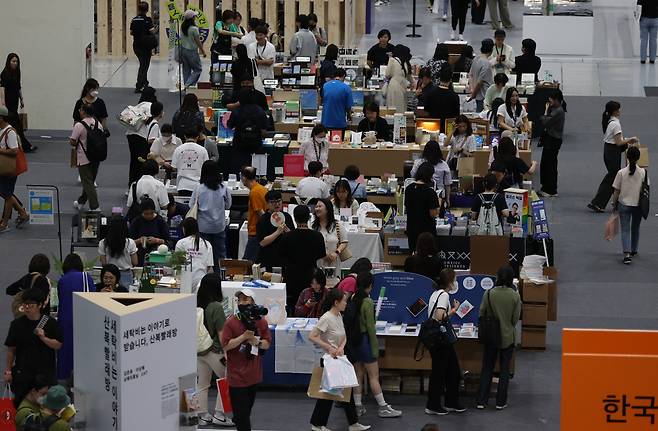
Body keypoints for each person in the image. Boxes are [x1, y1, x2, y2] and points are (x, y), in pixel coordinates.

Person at [308, 288, 371, 431]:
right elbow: (312, 336)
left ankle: (353, 423)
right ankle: (317, 424)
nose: (346, 304)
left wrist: (341, 347)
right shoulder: (326, 317)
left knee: (345, 390)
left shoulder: (338, 316)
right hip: (330, 361)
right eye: (344, 301)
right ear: (336, 302)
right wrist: (329, 347)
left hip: (340, 358)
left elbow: (343, 335)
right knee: (328, 394)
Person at [348, 272, 402, 419]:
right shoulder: (368, 302)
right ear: (370, 286)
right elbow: (371, 328)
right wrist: (374, 348)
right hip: (365, 341)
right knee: (373, 376)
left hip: (354, 341)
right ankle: (383, 407)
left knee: (358, 374)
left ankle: (358, 406)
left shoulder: (352, 298)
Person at [221, 289, 271, 431]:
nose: (242, 303)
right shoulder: (231, 322)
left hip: (254, 376)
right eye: (240, 300)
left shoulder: (261, 322)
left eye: (246, 299)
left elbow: (267, 343)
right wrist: (243, 337)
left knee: (245, 413)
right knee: (242, 418)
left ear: (253, 302)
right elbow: (226, 345)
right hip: (236, 377)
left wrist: (257, 342)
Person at [4, 288, 61, 406]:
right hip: (23, 373)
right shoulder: (16, 324)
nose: (27, 307)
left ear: (40, 305)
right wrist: (8, 371)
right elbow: (11, 350)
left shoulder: (50, 323)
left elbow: (58, 345)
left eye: (31, 304)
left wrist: (44, 338)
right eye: (24, 304)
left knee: (45, 408)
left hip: (45, 374)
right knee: (21, 406)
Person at [476, 265, 521, 410]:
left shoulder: (488, 293)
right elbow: (515, 319)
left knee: (487, 368)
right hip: (507, 337)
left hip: (491, 337)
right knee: (504, 371)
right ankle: (500, 402)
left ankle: (481, 401)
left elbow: (481, 313)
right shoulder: (515, 296)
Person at [425, 269, 466, 415]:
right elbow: (440, 315)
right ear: (449, 282)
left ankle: (450, 402)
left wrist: (453, 310)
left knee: (450, 371)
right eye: (454, 279)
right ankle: (434, 405)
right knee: (442, 373)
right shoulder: (444, 295)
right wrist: (451, 313)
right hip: (441, 340)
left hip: (435, 340)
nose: (455, 282)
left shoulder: (435, 294)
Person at [195, 273, 234, 426]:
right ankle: (220, 413)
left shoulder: (197, 304)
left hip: (199, 350)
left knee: (202, 383)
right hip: (214, 350)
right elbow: (222, 335)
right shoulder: (216, 307)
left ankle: (202, 415)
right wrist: (227, 353)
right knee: (227, 379)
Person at [589, 101, 639, 213]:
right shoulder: (616, 124)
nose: (620, 111)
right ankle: (598, 202)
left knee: (613, 177)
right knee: (613, 177)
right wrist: (631, 139)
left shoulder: (610, 122)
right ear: (615, 111)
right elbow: (618, 142)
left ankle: (609, 202)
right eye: (618, 109)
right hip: (613, 153)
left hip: (609, 151)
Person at [57, 254, 95, 381]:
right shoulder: (85, 277)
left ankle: (63, 378)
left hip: (65, 320)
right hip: (82, 318)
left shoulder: (62, 280)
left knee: (66, 349)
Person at [281, 205, 327, 308]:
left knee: (292, 307)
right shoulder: (317, 236)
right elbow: (321, 255)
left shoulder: (287, 237)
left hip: (291, 278)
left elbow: (282, 257)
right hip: (311, 278)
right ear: (309, 217)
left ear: (295, 218)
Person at [190, 160, 232, 271]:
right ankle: (222, 278)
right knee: (220, 255)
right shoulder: (223, 188)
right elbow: (228, 205)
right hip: (219, 226)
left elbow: (192, 205)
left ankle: (202, 277)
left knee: (203, 254)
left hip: (203, 227)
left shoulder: (199, 188)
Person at [612, 146, 648, 264]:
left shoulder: (621, 173)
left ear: (627, 158)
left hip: (624, 204)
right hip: (638, 205)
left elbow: (616, 190)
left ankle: (626, 254)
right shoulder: (643, 173)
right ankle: (634, 249)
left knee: (625, 229)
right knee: (635, 228)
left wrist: (614, 203)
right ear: (638, 158)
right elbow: (646, 188)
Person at [0, 106, 29, 232]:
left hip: (8, 168)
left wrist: (1, 150)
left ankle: (5, 223)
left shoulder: (10, 131)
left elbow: (15, 150)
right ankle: (22, 212)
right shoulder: (1, 129)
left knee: (7, 195)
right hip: (2, 167)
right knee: (6, 193)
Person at [70, 103, 103, 211]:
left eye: (80, 110)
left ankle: (95, 207)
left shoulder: (79, 125)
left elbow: (73, 141)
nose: (79, 111)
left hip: (83, 157)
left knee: (88, 182)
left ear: (83, 112)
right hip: (96, 157)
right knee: (89, 180)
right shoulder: (98, 124)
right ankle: (81, 201)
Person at [227, 90, 269, 174]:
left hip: (239, 146)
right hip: (256, 146)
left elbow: (229, 125)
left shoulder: (237, 111)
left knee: (239, 171)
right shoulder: (260, 111)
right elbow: (264, 130)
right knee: (255, 172)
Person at [0, 53, 34, 152]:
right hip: (7, 102)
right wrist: (2, 103)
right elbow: (2, 89)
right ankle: (24, 145)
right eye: (13, 61)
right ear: (9, 62)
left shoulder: (17, 72)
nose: (15, 63)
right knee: (16, 123)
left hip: (14, 101)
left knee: (14, 123)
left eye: (16, 62)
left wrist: (22, 99)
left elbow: (18, 86)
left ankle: (19, 144)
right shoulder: (4, 73)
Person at [405, 162, 440, 252]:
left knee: (414, 254)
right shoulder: (430, 192)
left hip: (411, 228)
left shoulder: (408, 189)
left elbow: (407, 206)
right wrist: (439, 205)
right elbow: (433, 214)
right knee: (427, 257)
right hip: (426, 231)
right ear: (430, 176)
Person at [256, 190, 294, 271]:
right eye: (273, 202)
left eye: (278, 201)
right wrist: (278, 232)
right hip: (268, 258)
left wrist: (288, 232)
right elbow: (262, 242)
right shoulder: (263, 219)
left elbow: (293, 238)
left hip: (284, 258)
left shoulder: (287, 216)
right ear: (267, 204)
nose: (277, 204)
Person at [539, 89, 566, 197]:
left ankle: (550, 189)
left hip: (553, 140)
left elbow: (545, 121)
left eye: (551, 100)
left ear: (556, 100)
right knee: (548, 163)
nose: (549, 102)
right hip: (552, 139)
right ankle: (548, 187)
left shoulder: (558, 111)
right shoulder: (556, 109)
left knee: (549, 164)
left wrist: (545, 110)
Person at [126, 92, 156, 188]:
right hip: (141, 137)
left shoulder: (139, 105)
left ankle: (131, 185)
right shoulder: (150, 106)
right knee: (142, 162)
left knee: (134, 161)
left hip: (130, 135)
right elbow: (147, 120)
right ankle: (140, 186)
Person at [98, 216, 138, 286]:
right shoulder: (130, 242)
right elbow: (135, 262)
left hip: (109, 275)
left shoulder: (103, 243)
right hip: (126, 275)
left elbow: (104, 263)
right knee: (125, 295)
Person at [175, 217, 214, 289]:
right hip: (201, 282)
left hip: (185, 281)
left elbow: (177, 265)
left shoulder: (181, 243)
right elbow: (209, 267)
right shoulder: (207, 244)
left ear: (184, 229)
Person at [129, 198, 171, 265]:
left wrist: (157, 240)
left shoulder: (160, 221)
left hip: (157, 254)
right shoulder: (136, 221)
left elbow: (168, 241)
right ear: (142, 212)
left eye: (151, 213)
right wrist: (140, 240)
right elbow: (129, 242)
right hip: (140, 254)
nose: (149, 216)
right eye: (146, 214)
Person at [171, 127, 210, 196]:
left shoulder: (178, 149)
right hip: (198, 185)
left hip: (182, 185)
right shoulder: (203, 150)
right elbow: (207, 167)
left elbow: (174, 167)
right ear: (197, 137)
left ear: (185, 136)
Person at [313, 198, 349, 270]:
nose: (317, 209)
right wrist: (324, 255)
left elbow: (344, 242)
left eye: (320, 206)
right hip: (318, 262)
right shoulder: (312, 226)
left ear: (327, 209)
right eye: (316, 207)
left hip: (334, 261)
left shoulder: (338, 225)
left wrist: (336, 252)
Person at [241, 166, 267, 262]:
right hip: (258, 233)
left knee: (247, 263)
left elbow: (261, 213)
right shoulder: (261, 189)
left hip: (255, 233)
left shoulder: (254, 193)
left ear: (244, 178)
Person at [421, 67, 460, 131]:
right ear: (450, 80)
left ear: (439, 78)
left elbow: (426, 109)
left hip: (433, 127)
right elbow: (456, 115)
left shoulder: (431, 93)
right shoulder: (454, 96)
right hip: (448, 128)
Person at [130, 1, 156, 93]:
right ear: (147, 10)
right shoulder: (147, 19)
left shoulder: (134, 20)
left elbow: (131, 32)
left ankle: (145, 83)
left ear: (138, 9)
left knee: (143, 64)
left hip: (136, 46)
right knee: (144, 66)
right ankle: (139, 86)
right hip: (145, 47)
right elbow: (152, 31)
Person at [180, 9, 207, 89]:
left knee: (186, 70)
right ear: (192, 18)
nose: (195, 17)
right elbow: (198, 42)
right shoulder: (194, 29)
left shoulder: (183, 27)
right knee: (198, 69)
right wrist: (203, 51)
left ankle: (187, 88)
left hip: (183, 50)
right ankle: (187, 85)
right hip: (191, 51)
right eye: (194, 16)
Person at [469, 39, 494, 112]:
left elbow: (471, 75)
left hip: (476, 94)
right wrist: (473, 94)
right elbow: (480, 82)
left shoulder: (476, 58)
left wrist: (472, 89)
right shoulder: (486, 63)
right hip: (484, 96)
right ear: (491, 49)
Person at [385, 45, 412, 113]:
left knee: (393, 107)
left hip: (393, 86)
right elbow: (409, 76)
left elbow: (387, 74)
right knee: (401, 107)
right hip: (402, 86)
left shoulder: (392, 60)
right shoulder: (406, 62)